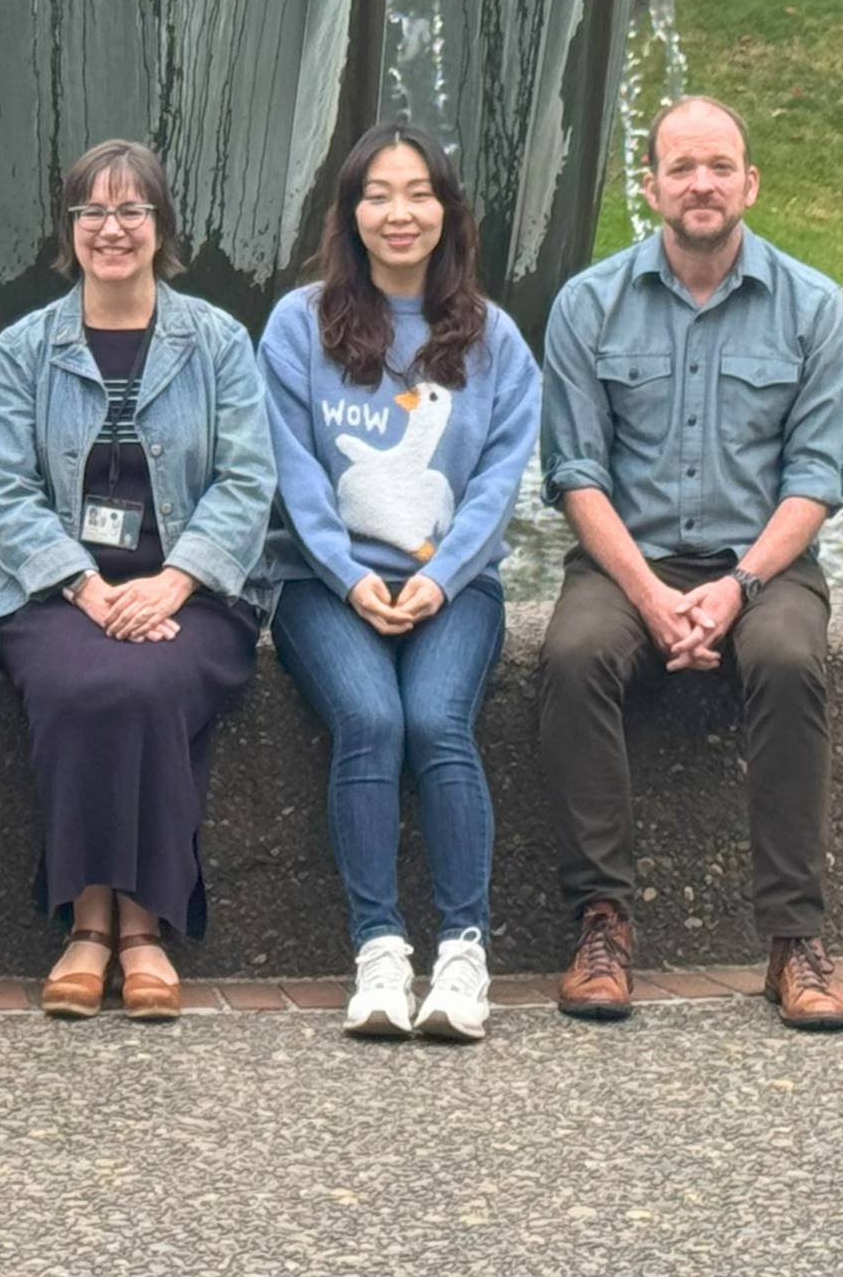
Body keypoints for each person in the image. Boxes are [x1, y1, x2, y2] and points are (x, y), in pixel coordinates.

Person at [536, 94, 843, 1030]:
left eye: (718, 166)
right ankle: (601, 925)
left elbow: (816, 477)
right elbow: (574, 473)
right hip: (623, 560)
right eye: (681, 168)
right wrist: (646, 592)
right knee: (571, 657)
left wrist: (737, 587)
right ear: (651, 188)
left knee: (789, 658)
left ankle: (793, 940)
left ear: (749, 182)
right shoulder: (587, 304)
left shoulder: (812, 306)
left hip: (764, 565)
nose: (701, 184)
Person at [0, 140, 276, 1021]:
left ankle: (128, 927)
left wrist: (176, 582)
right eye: (91, 212)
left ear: (159, 226)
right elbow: (4, 486)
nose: (111, 229)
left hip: (194, 589)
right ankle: (95, 921)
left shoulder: (217, 342)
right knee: (81, 684)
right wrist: (83, 584)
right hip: (58, 592)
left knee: (145, 685)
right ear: (68, 230)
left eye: (130, 211)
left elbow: (247, 479)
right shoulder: (26, 348)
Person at [261, 121, 539, 1041]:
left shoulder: (492, 338)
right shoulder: (300, 325)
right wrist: (345, 577)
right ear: (348, 213)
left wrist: (445, 575)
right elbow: (292, 468)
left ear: (446, 211)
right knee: (371, 720)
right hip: (321, 586)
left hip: (452, 590)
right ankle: (379, 949)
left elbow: (499, 478)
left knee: (435, 722)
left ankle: (463, 951)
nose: (398, 212)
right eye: (376, 194)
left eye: (417, 192)